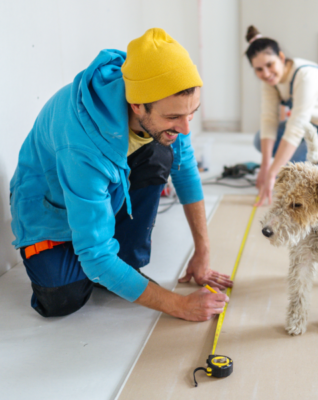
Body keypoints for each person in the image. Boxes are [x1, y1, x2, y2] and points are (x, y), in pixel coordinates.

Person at [10, 28, 231, 320]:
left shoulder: (166, 99)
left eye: (192, 113)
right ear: (137, 104)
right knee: (62, 300)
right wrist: (178, 305)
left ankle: (123, 262)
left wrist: (202, 251)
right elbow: (95, 258)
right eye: (174, 117)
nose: (185, 127)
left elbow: (185, 170)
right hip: (50, 212)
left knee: (162, 150)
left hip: (99, 191)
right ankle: (108, 264)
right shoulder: (81, 140)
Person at [245, 26, 318, 206]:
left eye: (270, 65)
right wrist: (264, 168)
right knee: (259, 140)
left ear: (282, 57)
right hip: (311, 127)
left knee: (293, 165)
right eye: (259, 69)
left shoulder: (306, 76)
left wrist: (273, 173)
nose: (266, 73)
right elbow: (269, 120)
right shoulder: (270, 81)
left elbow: (295, 128)